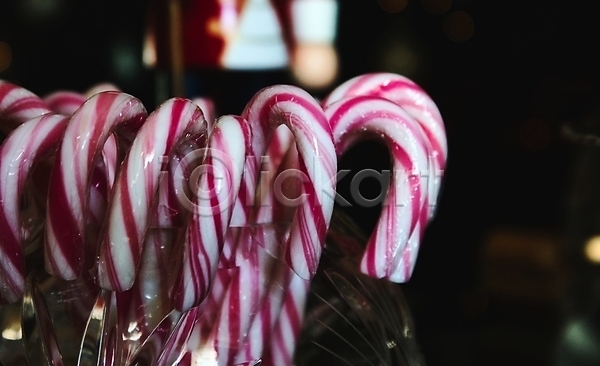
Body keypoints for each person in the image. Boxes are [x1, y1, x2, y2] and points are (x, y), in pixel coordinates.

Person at [143, 0, 338, 114]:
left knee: (259, 127)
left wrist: (314, 35)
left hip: (261, 52)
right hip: (186, 47)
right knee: (187, 126)